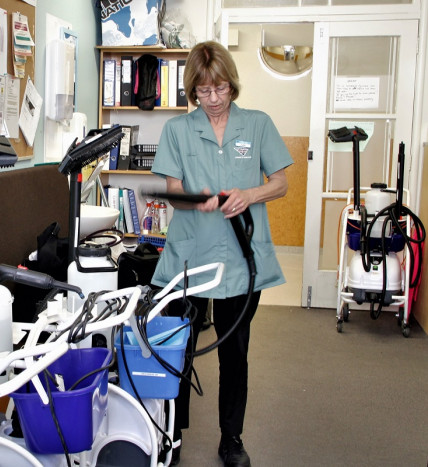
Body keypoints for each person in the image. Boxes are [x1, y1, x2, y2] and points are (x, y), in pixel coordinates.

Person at [150, 41, 293, 467]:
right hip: (189, 257)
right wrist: (199, 199)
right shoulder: (177, 130)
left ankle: (231, 438)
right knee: (177, 350)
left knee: (235, 352)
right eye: (203, 92)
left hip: (240, 259)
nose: (213, 99)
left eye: (221, 89)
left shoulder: (258, 124)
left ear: (232, 84)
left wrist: (250, 193)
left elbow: (281, 182)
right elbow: (173, 193)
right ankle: (170, 436)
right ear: (192, 90)